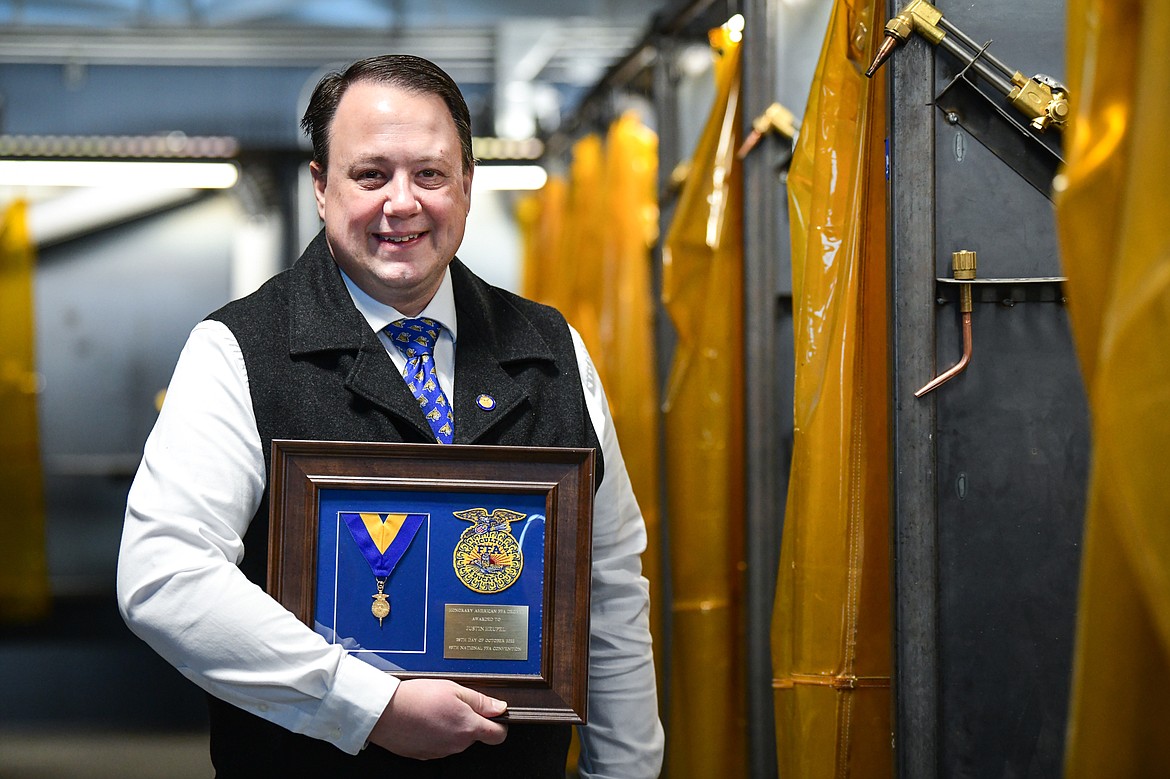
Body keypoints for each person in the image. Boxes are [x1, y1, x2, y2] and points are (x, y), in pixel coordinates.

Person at [116, 54, 664, 777]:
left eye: (430, 174)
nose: (401, 202)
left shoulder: (553, 350)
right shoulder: (238, 351)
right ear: (320, 187)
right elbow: (164, 574)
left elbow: (610, 591)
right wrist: (367, 705)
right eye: (370, 174)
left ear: (466, 186)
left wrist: (623, 771)